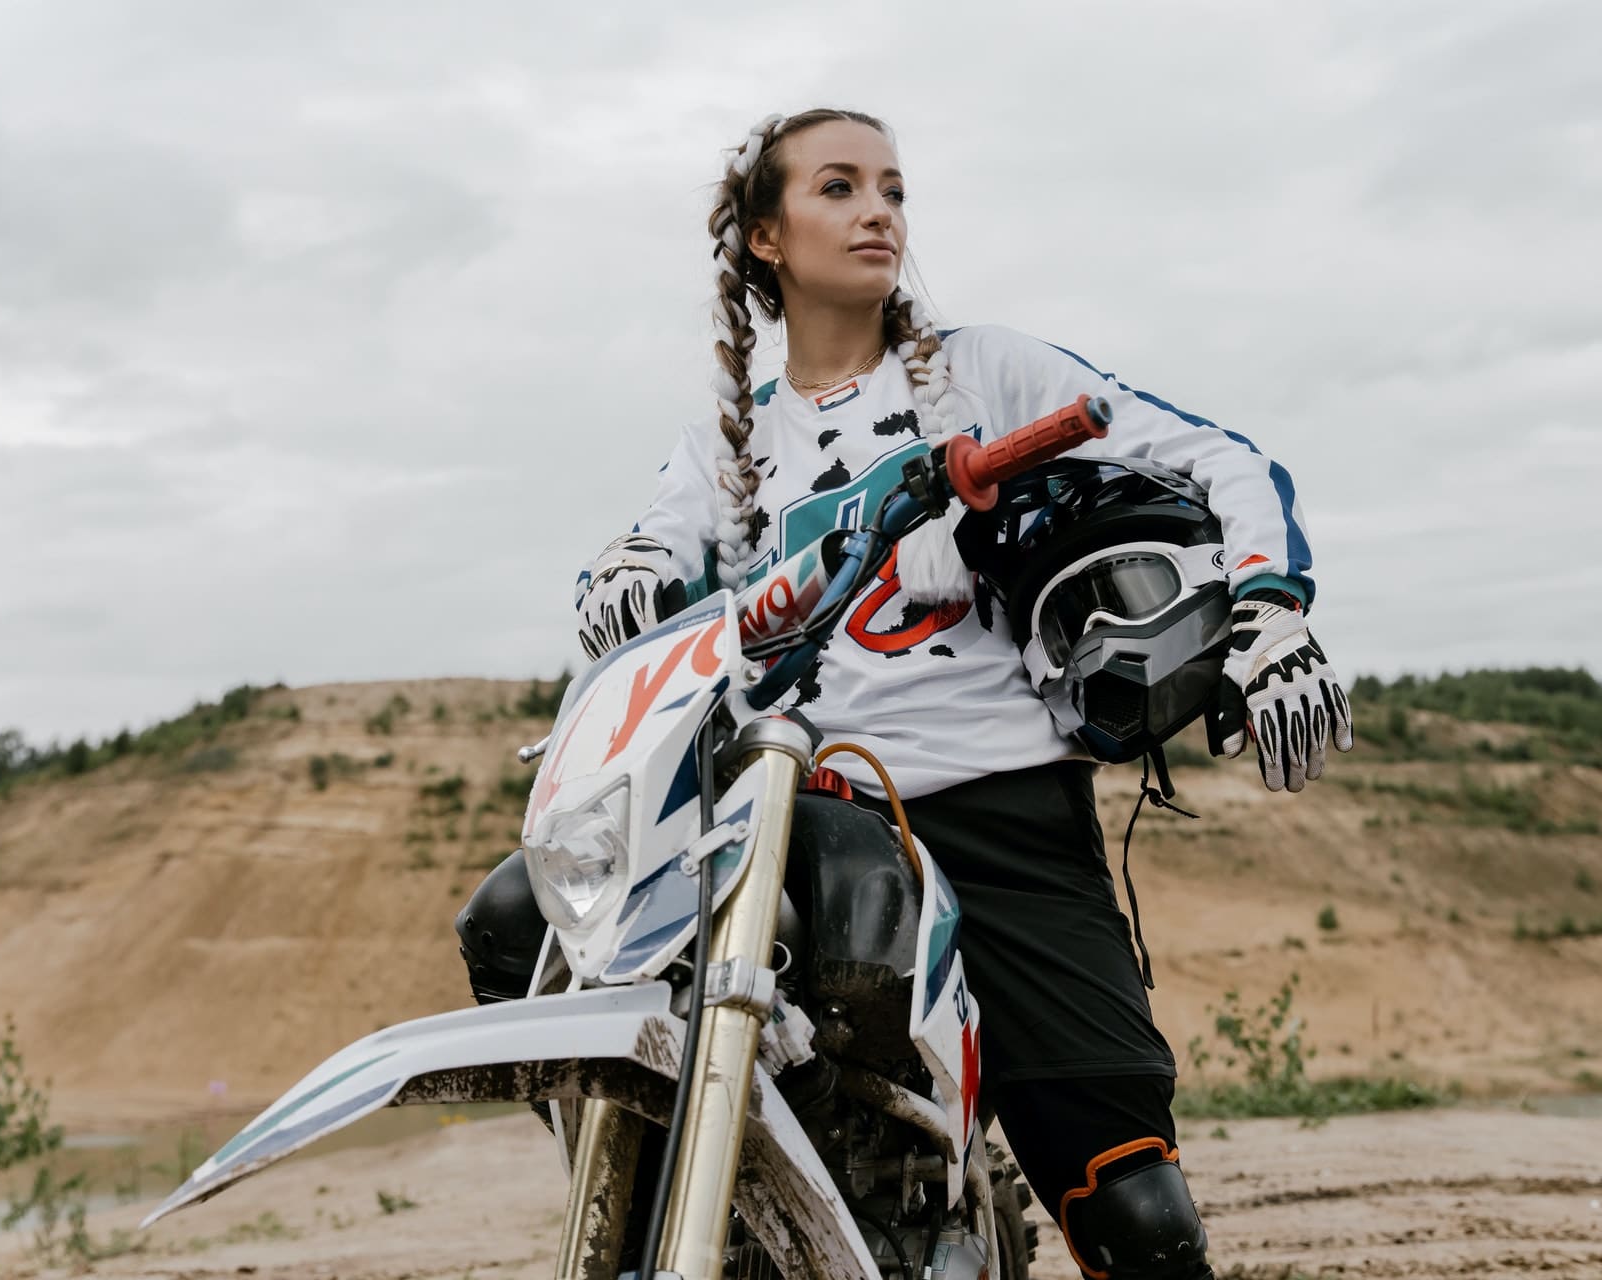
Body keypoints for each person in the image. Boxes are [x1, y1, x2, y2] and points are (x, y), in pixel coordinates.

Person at [476, 108, 1353, 1280]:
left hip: (1002, 809)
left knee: (1141, 1216)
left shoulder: (988, 372)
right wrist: (625, 575)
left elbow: (1221, 457)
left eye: (891, 187)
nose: (879, 209)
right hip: (801, 822)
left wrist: (1271, 608)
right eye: (838, 187)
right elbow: (632, 565)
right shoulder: (723, 455)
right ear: (766, 238)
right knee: (514, 921)